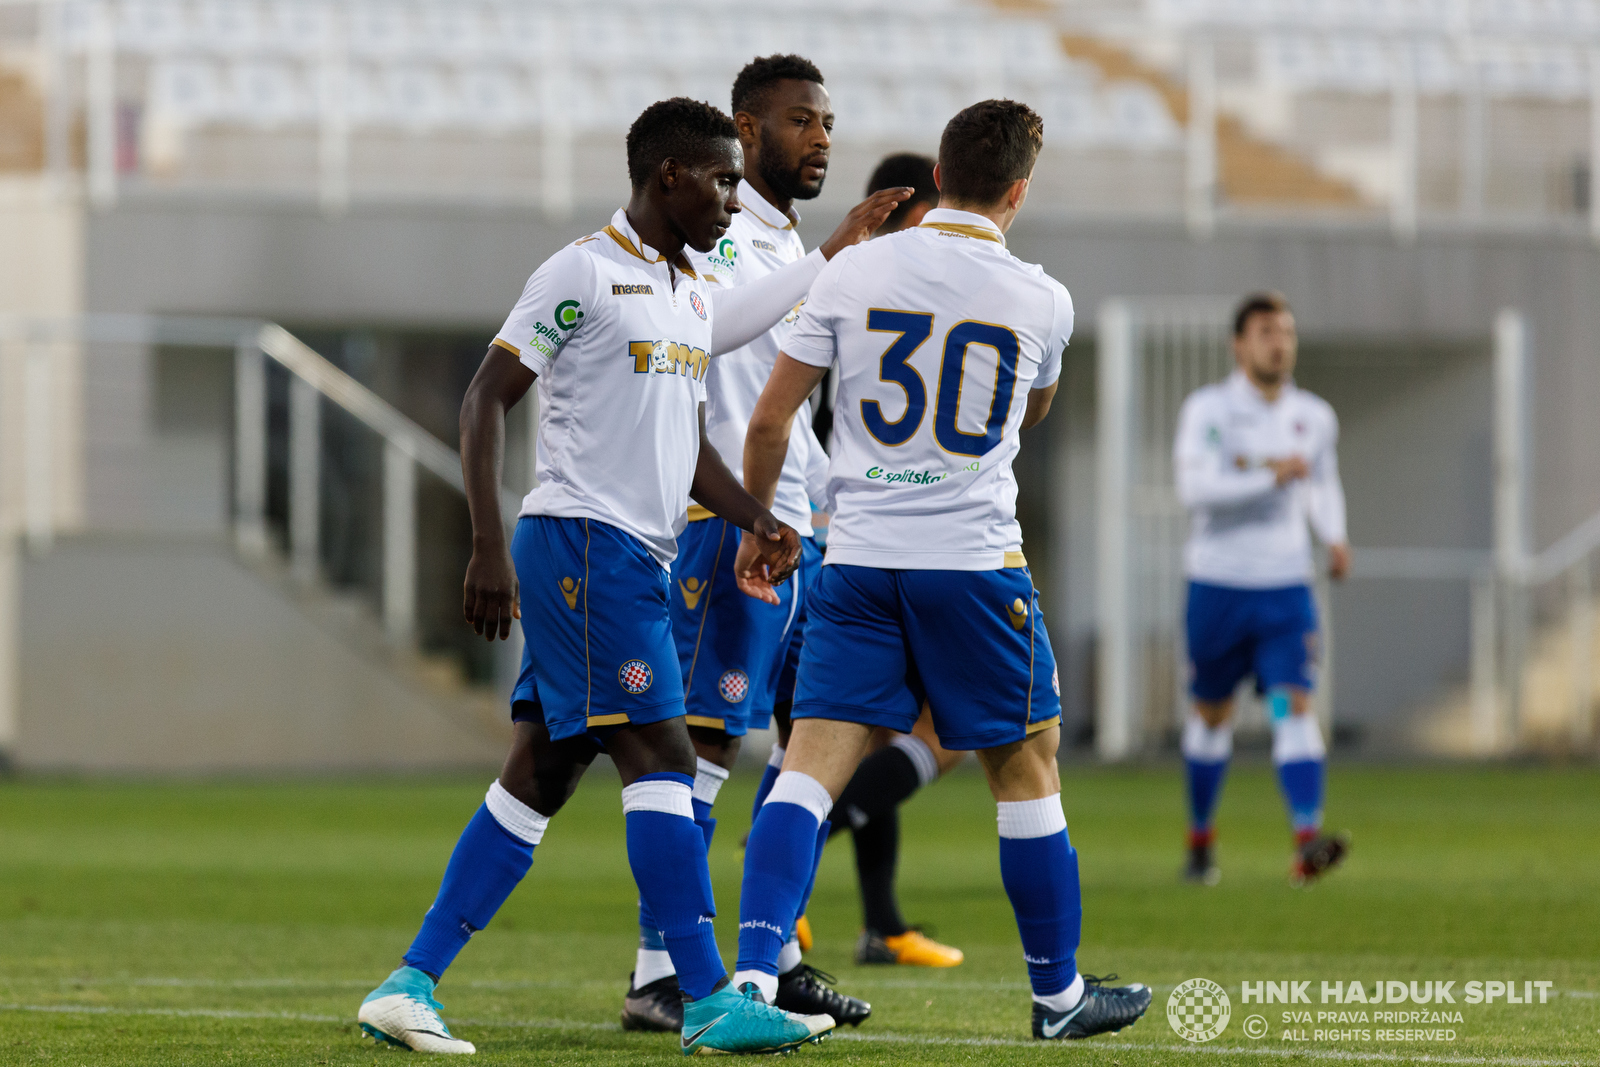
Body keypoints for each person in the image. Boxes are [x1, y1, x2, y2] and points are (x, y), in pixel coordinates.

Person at [356, 97, 900, 1057]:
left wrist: (758, 519)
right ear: (670, 179)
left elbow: (686, 445)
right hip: (582, 545)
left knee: (542, 771)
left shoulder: (688, 292)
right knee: (661, 753)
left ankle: (408, 983)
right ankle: (703, 996)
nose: (737, 199)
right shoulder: (583, 271)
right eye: (725, 180)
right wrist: (487, 541)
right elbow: (487, 396)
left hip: (632, 555)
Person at [729, 99, 1153, 1041]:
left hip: (861, 559)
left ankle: (753, 984)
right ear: (1016, 189)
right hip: (971, 563)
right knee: (1025, 767)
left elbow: (769, 421)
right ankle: (1057, 996)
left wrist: (762, 526)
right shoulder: (1043, 296)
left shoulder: (851, 271)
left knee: (804, 773)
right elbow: (1028, 411)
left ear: (941, 174)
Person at [619, 54, 904, 1034]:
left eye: (827, 120)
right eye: (798, 121)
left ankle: (773, 956)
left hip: (798, 528)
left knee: (799, 745)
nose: (820, 136)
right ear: (746, 130)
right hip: (724, 525)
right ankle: (660, 971)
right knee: (703, 747)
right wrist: (831, 255)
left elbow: (795, 405)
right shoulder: (715, 235)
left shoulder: (781, 239)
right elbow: (720, 353)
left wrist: (829, 501)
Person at [789, 153, 970, 970]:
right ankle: (791, 877)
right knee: (910, 730)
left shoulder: (849, 285)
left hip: (843, 530)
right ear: (899, 212)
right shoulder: (871, 287)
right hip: (852, 535)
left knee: (869, 730)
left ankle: (880, 922)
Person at [1173, 291, 1352, 888]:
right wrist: (1267, 476)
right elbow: (1195, 492)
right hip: (1218, 585)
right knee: (1213, 716)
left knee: (1291, 704)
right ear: (1239, 344)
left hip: (1284, 589)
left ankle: (1308, 842)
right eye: (1267, 332)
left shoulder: (1316, 416)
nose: (1280, 342)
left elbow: (1322, 485)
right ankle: (1200, 840)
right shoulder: (1208, 411)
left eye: (1287, 332)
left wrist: (1334, 536)